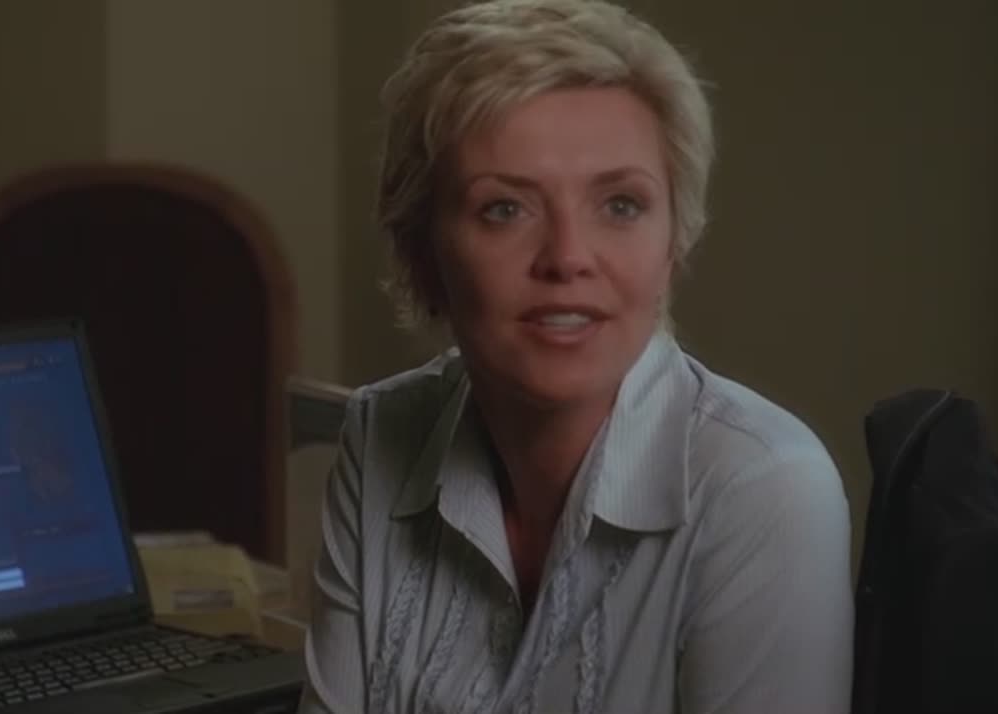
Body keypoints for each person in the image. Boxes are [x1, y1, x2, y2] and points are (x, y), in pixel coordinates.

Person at [300, 1, 853, 712]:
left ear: (672, 244)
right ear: (422, 253)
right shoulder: (381, 431)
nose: (567, 258)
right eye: (505, 208)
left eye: (620, 205)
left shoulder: (764, 487)